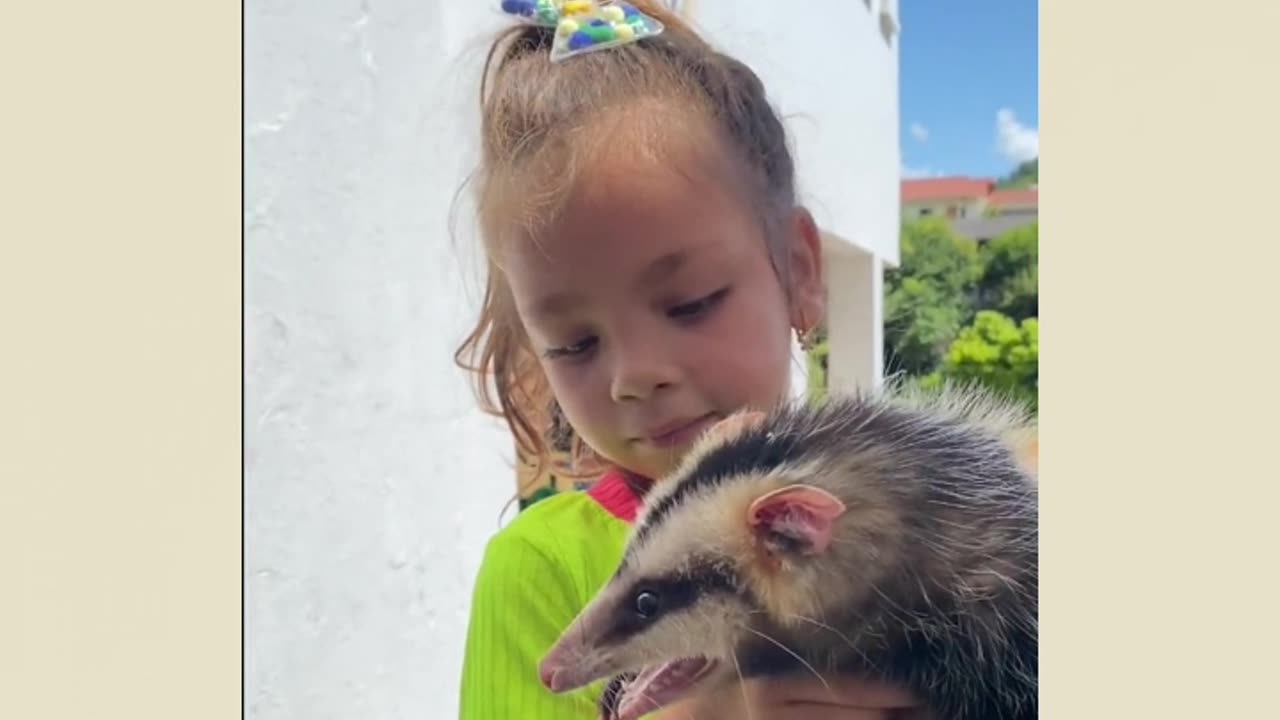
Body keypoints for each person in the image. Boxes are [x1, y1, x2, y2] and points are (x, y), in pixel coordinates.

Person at [456, 2, 923, 717]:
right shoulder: (542, 567)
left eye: (692, 302)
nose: (634, 375)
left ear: (798, 271)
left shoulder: (905, 517)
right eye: (575, 344)